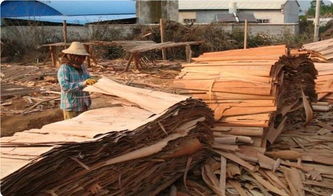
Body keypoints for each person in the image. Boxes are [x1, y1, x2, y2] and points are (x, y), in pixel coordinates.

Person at [57, 42, 97, 120]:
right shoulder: (64, 68)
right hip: (72, 107)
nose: (82, 60)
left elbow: (88, 78)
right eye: (80, 57)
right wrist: (83, 84)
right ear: (72, 56)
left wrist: (94, 80)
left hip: (83, 105)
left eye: (83, 57)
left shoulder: (82, 67)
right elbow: (65, 86)